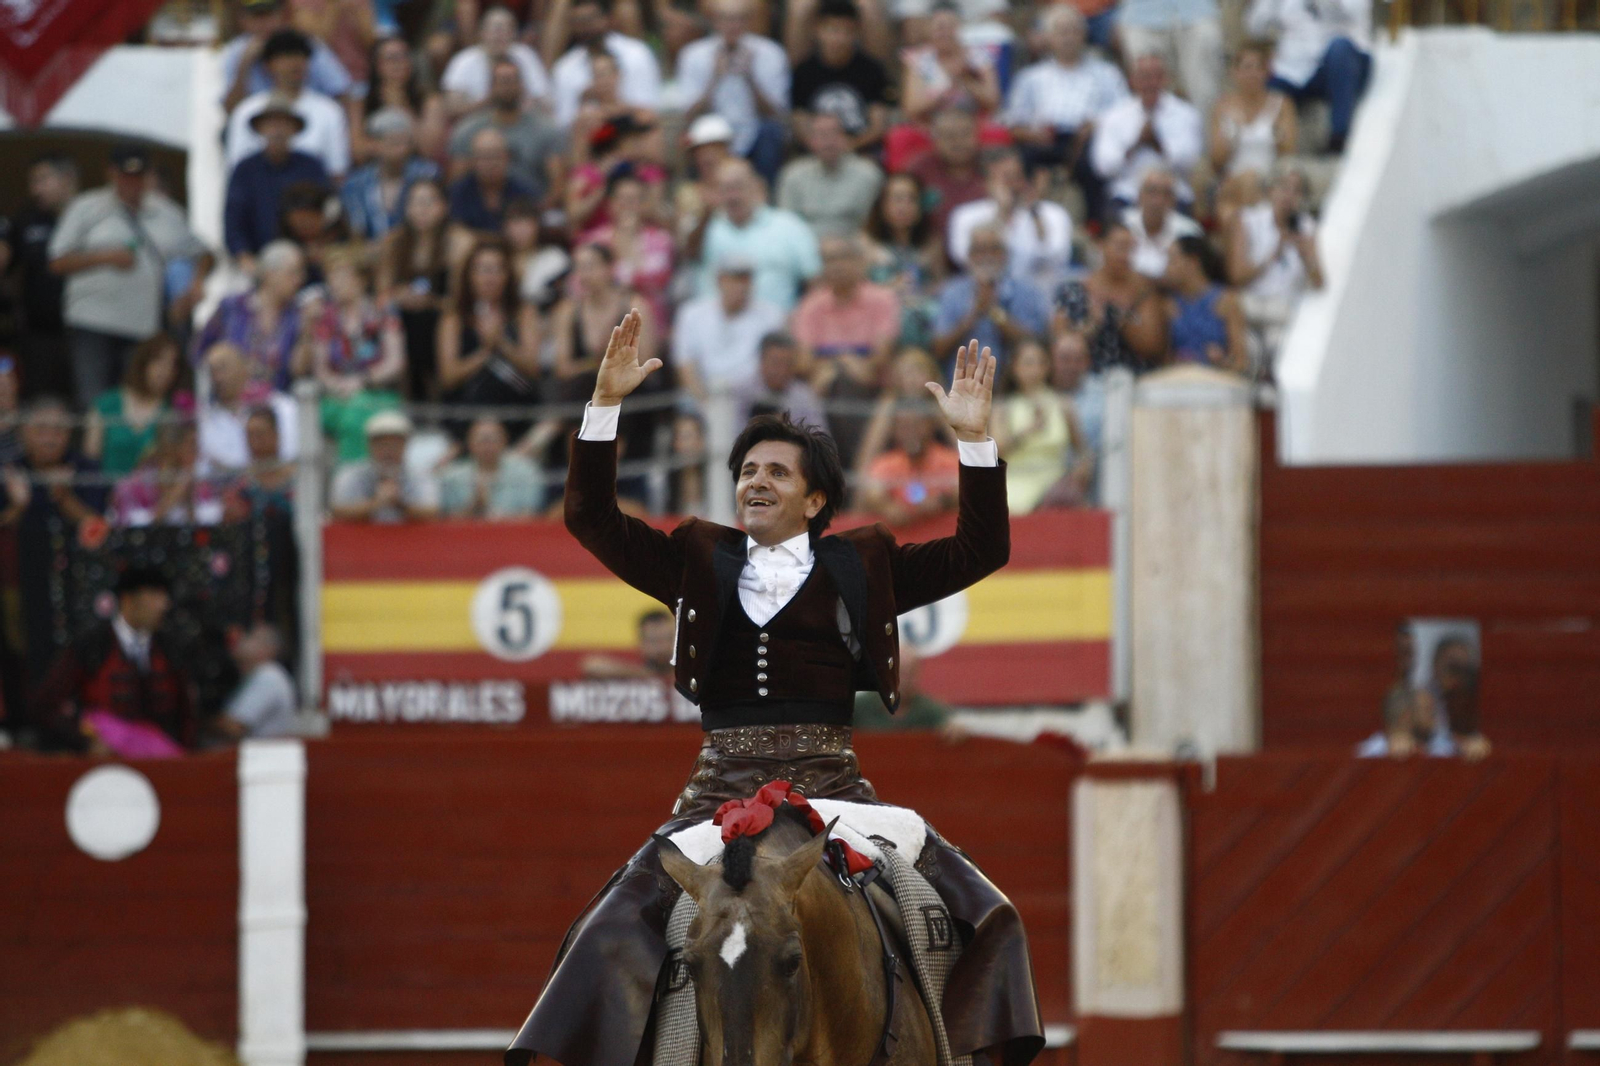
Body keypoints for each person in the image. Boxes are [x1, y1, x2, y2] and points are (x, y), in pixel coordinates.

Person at [507, 313, 1042, 1066]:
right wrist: (603, 409)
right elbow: (589, 516)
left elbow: (982, 548)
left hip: (834, 796)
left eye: (777, 473)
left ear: (815, 501)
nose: (756, 482)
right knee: (600, 933)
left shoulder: (863, 564)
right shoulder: (694, 559)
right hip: (714, 800)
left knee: (989, 912)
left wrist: (974, 440)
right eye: (748, 472)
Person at [49, 143, 212, 408]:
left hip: (142, 326)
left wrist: (194, 287)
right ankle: (95, 449)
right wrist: (105, 256)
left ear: (149, 176)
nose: (132, 182)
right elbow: (56, 261)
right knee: (94, 400)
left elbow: (203, 253)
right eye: (125, 174)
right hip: (91, 321)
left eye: (139, 175)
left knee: (140, 400)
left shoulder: (165, 211)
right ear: (111, 174)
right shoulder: (86, 207)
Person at [29, 565, 196, 755]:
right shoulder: (92, 645)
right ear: (127, 599)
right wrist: (84, 742)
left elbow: (187, 715)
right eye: (154, 595)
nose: (163, 605)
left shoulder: (171, 649)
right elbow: (45, 706)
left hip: (165, 764)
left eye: (164, 596)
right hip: (105, 769)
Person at [1003, 6, 1125, 225]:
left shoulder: (1106, 73)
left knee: (1096, 160)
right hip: (1044, 139)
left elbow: (1123, 112)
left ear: (1083, 34)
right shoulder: (1030, 77)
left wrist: (1095, 125)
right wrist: (1032, 135)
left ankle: (1096, 223)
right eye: (1061, 32)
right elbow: (1013, 122)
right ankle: (1025, 218)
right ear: (1049, 38)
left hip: (1087, 138)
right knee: (1023, 159)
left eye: (1073, 31)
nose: (1068, 38)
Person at [297, 245, 406, 463]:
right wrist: (339, 386)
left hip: (377, 393)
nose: (334, 283)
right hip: (335, 396)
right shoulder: (326, 317)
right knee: (351, 413)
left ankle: (348, 484)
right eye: (331, 277)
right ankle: (356, 484)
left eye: (342, 276)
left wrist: (362, 382)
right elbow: (321, 369)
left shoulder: (382, 311)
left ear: (361, 279)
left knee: (355, 414)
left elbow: (395, 362)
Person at [676, 0, 791, 184]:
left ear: (749, 21)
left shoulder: (770, 52)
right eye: (726, 19)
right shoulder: (693, 54)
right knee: (694, 135)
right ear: (714, 21)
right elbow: (688, 115)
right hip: (712, 135)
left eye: (739, 19)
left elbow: (777, 114)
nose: (732, 26)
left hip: (755, 134)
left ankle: (766, 194)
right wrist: (714, 79)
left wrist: (750, 77)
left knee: (770, 131)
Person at [437, 239, 543, 431]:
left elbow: (533, 368)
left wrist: (501, 343)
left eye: (497, 269)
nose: (490, 277)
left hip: (515, 405)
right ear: (469, 275)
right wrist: (485, 352)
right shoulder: (454, 317)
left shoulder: (523, 312)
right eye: (483, 269)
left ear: (507, 275)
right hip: (468, 408)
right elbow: (448, 377)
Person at [378, 179, 464, 401]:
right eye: (415, 203)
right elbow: (381, 294)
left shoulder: (458, 242)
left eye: (429, 202)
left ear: (445, 206)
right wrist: (399, 295)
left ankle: (439, 396)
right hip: (405, 319)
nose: (422, 210)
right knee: (396, 321)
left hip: (444, 317)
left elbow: (462, 299)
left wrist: (431, 302)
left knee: (433, 321)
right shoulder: (394, 242)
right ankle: (406, 397)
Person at [697, 159, 821, 313]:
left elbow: (815, 280)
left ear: (758, 187)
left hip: (779, 329)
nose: (732, 196)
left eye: (738, 187)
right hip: (718, 330)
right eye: (725, 189)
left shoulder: (789, 226)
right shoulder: (706, 229)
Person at [1226, 166, 1323, 363]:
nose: (1289, 195)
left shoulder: (1307, 227)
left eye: (1297, 191)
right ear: (1271, 190)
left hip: (1284, 311)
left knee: (1279, 346)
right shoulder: (1247, 220)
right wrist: (1272, 255)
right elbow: (1236, 276)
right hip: (1252, 306)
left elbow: (1318, 283)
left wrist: (1306, 256)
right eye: (1284, 187)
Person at [225, 28, 352, 179]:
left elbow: (337, 171)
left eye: (301, 56)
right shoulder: (247, 111)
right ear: (268, 65)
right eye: (286, 57)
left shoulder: (329, 111)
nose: (295, 63)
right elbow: (238, 171)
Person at [1247, 0, 1372, 153]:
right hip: (1295, 68)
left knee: (1340, 48)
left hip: (1339, 64)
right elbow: (1255, 27)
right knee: (1269, 85)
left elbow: (1351, 12)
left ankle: (1339, 137)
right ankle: (1268, 150)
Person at [947, 146, 1074, 294]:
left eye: (1016, 177)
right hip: (981, 294)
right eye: (1003, 178)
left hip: (1041, 293)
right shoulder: (965, 214)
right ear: (987, 181)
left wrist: (1034, 211)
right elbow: (962, 256)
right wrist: (1001, 214)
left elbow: (1055, 254)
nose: (1011, 185)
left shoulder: (1053, 213)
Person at [2, 156, 78, 400]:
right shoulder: (27, 220)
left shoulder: (92, 215)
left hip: (88, 331)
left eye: (42, 180)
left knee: (84, 400)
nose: (35, 189)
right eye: (32, 182)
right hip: (39, 334)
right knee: (41, 401)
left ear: (67, 179)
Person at [1090, 54, 1204, 213]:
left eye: (1156, 77)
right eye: (1144, 77)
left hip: (1173, 195)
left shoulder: (1186, 114)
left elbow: (1190, 161)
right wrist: (1135, 145)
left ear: (1166, 79)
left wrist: (1158, 145)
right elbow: (1103, 166)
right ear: (1132, 81)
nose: (1150, 83)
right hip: (1128, 194)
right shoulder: (1114, 116)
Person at [226, 95, 331, 265]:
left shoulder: (311, 166)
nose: (277, 130)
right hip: (259, 262)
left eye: (284, 123)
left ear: (294, 129)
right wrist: (245, 259)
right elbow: (233, 222)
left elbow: (328, 211)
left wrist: (318, 247)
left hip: (307, 261)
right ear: (260, 128)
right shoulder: (245, 170)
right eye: (271, 124)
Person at [932, 222, 1051, 372]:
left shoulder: (1027, 292)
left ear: (1005, 254)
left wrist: (996, 314)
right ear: (969, 255)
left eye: (994, 249)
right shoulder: (952, 293)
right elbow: (938, 349)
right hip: (961, 387)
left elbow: (1038, 345)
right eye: (979, 250)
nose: (986, 256)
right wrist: (972, 316)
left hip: (1013, 389)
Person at [991, 338, 1092, 513]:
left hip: (1054, 483)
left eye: (1040, 363)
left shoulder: (1063, 404)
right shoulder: (1003, 407)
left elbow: (1082, 451)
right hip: (1013, 481)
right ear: (1015, 368)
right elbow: (994, 453)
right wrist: (1027, 432)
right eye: (1028, 364)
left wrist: (1080, 472)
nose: (1035, 370)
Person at [448, 58, 568, 204]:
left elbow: (558, 185)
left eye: (512, 81)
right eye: (502, 81)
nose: (507, 87)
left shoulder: (546, 129)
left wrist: (535, 215)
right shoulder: (467, 131)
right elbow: (456, 183)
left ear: (522, 86)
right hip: (480, 212)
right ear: (490, 87)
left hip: (531, 209)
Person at [673, 254, 787, 407]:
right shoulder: (692, 314)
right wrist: (704, 403)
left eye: (746, 279)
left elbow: (776, 363)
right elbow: (685, 364)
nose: (741, 286)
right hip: (705, 393)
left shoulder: (771, 315)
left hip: (754, 397)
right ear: (720, 280)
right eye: (735, 279)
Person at [194, 240, 307, 390]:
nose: (299, 280)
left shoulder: (297, 315)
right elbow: (200, 351)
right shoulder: (232, 307)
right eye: (292, 273)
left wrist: (308, 333)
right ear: (269, 274)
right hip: (231, 402)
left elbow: (298, 370)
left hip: (278, 403)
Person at [1126, 234, 1249, 372]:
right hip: (1178, 379)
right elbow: (1161, 359)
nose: (1166, 268)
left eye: (1172, 260)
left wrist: (1221, 362)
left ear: (1192, 262)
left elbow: (1240, 360)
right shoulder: (1167, 304)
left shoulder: (1226, 301)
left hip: (1216, 379)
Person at [789, 0, 891, 152]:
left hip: (861, 153)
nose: (840, 38)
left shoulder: (872, 70)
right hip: (816, 154)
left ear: (857, 33)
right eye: (833, 30)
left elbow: (878, 125)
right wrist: (824, 149)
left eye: (847, 31)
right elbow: (799, 122)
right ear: (818, 30)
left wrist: (850, 146)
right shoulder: (803, 72)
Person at [220, 0, 352, 116]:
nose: (264, 23)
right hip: (259, 130)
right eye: (257, 16)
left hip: (311, 122)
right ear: (243, 20)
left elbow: (342, 92)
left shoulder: (305, 43)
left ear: (282, 15)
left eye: (269, 14)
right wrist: (244, 64)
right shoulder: (237, 52)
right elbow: (231, 110)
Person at [1055, 220, 1153, 373]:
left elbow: (1153, 348)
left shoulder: (1143, 291)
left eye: (1131, 249)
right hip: (1087, 378)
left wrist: (1125, 317)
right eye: (1120, 247)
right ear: (1101, 245)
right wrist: (1092, 325)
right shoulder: (1072, 291)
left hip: (1133, 375)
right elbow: (1058, 340)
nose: (1126, 256)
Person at [85, 334, 188, 478]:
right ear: (143, 362)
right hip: (105, 494)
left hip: (152, 498)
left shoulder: (173, 412)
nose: (165, 371)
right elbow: (90, 460)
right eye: (158, 360)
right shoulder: (106, 404)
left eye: (172, 365)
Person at [549, 0, 662, 128]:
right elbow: (563, 124)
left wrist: (609, 109)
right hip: (588, 138)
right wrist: (582, 100)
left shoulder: (637, 53)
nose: (586, 27)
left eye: (590, 19)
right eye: (579, 22)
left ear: (606, 18)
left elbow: (649, 110)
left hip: (634, 133)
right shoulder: (564, 68)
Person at [864, 171, 945, 349]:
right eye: (897, 199)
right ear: (882, 205)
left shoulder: (932, 243)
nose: (904, 206)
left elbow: (942, 284)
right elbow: (856, 291)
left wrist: (925, 291)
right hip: (879, 317)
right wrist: (888, 289)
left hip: (924, 313)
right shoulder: (865, 244)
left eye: (911, 199)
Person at [582, 171, 675, 325]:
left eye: (633, 200)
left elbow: (658, 281)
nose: (627, 206)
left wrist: (629, 243)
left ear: (644, 204)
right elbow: (580, 285)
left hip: (650, 323)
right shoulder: (593, 241)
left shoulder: (661, 240)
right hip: (603, 323)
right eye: (621, 199)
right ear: (610, 204)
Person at [776, 111, 885, 239]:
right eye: (822, 135)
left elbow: (876, 225)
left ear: (845, 138)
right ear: (811, 141)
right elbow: (787, 224)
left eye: (834, 133)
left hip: (855, 246)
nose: (828, 141)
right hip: (806, 247)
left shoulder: (869, 174)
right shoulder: (793, 175)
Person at [196, 341, 299, 474]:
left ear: (244, 367)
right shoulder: (206, 421)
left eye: (222, 368)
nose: (217, 377)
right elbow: (204, 470)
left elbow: (291, 455)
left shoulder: (282, 407)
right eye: (212, 371)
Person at [341, 108, 441, 242]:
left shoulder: (428, 174)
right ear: (374, 144)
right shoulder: (355, 183)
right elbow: (356, 230)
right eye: (393, 143)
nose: (401, 149)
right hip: (371, 252)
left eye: (405, 143)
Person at [1116, 0, 1223, 123]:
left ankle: (1208, 140)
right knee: (1149, 89)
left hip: (1197, 12)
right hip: (1139, 16)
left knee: (1205, 90)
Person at [858, 399, 962, 525]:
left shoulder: (950, 460)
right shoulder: (885, 464)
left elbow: (965, 491)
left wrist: (941, 501)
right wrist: (887, 507)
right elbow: (871, 494)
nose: (911, 432)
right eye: (904, 426)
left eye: (917, 425)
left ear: (930, 425)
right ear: (895, 430)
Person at [112, 420, 231, 528]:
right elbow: (130, 527)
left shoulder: (202, 486)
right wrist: (174, 494)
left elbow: (208, 528)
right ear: (171, 448)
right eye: (192, 445)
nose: (197, 452)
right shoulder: (131, 486)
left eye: (198, 446)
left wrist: (189, 501)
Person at [440, 6, 553, 118]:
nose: (499, 35)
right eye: (494, 29)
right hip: (477, 125)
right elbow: (452, 108)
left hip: (520, 124)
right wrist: (489, 102)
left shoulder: (526, 55)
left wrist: (524, 103)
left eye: (505, 29)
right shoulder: (463, 60)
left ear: (514, 34)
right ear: (482, 32)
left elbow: (546, 103)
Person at [329, 410, 440, 522]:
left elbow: (432, 512)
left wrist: (398, 503)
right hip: (361, 538)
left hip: (410, 539)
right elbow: (337, 512)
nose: (389, 451)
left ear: (405, 445)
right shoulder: (351, 473)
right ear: (370, 445)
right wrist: (377, 502)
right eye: (382, 444)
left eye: (395, 444)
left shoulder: (419, 474)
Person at [1208, 41, 1297, 182]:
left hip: (1270, 181)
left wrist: (1276, 132)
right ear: (1235, 72)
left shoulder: (1282, 104)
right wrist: (1232, 135)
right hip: (1233, 182)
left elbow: (1288, 152)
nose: (1253, 74)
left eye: (1259, 68)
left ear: (1266, 72)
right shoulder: (1222, 106)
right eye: (1247, 68)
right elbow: (1217, 162)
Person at [355, 35, 449, 163]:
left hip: (416, 168)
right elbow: (357, 150)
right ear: (377, 65)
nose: (398, 64)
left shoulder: (430, 100)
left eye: (404, 57)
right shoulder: (361, 101)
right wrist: (394, 148)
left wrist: (401, 107)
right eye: (391, 58)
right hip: (373, 171)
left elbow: (429, 150)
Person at [906, 103, 988, 241]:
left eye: (965, 134)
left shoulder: (994, 165)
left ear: (976, 135)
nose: (958, 142)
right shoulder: (917, 170)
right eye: (949, 136)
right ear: (934, 140)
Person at [439, 415, 544, 517]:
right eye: (482, 440)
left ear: (505, 440)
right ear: (469, 442)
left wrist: (493, 513)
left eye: (493, 439)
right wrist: (473, 506)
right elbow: (446, 519)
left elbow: (530, 515)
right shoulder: (452, 475)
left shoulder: (527, 472)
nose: (487, 446)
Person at [732, 331, 831, 431]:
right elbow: (732, 434)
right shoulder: (742, 391)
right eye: (776, 363)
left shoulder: (804, 396)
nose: (781, 370)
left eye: (788, 363)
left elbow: (821, 435)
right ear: (762, 360)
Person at [449, 126, 541, 234]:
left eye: (496, 156)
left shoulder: (525, 192)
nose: (490, 163)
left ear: (507, 158)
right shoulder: (457, 193)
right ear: (472, 161)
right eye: (483, 157)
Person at [217, 624, 299, 740]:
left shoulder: (268, 676)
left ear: (266, 649)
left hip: (262, 755)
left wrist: (202, 723)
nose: (241, 639)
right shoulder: (256, 674)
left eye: (250, 637)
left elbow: (234, 726)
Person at [1124, 166, 1203, 279]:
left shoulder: (1189, 231)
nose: (1158, 201)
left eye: (1166, 194)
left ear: (1174, 200)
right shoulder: (1122, 224)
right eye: (1152, 191)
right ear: (1139, 195)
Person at [580, 609, 676, 679]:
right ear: (641, 643)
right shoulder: (632, 672)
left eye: (668, 639)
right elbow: (592, 666)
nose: (662, 647)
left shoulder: (686, 676)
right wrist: (647, 675)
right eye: (654, 641)